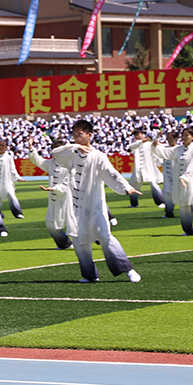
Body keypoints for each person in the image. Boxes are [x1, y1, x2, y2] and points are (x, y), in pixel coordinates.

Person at [51, 120, 142, 283]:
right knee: (79, 241)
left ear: (89, 135)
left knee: (105, 236)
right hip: (75, 208)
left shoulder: (98, 156)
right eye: (74, 135)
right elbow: (56, 153)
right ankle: (90, 275)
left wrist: (126, 187)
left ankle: (128, 269)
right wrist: (75, 147)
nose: (76, 138)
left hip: (94, 206)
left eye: (80, 135)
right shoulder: (71, 154)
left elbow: (111, 173)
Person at [153, 128, 193, 236]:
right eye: (183, 135)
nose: (185, 137)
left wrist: (185, 176)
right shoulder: (178, 149)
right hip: (181, 184)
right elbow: (165, 153)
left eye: (187, 135)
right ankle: (188, 230)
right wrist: (155, 145)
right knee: (184, 206)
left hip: (192, 183)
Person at [29, 137, 72, 250]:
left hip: (66, 200)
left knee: (74, 224)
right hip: (53, 200)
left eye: (56, 150)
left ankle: (96, 238)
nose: (53, 153)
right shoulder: (51, 163)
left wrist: (54, 188)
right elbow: (38, 161)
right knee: (50, 223)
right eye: (52, 150)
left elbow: (67, 185)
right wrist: (31, 147)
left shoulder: (70, 165)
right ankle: (65, 244)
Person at [0, 139, 25, 218]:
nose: (0, 147)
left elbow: (12, 170)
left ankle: (18, 213)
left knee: (12, 196)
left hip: (7, 182)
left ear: (6, 147)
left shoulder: (8, 158)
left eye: (2, 146)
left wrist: (18, 178)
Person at [127, 128, 165, 208]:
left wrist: (160, 162)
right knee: (133, 186)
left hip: (148, 168)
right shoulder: (135, 144)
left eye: (138, 134)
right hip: (138, 170)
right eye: (135, 135)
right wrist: (141, 141)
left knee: (154, 185)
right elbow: (131, 147)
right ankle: (134, 204)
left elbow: (154, 153)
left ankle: (161, 202)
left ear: (142, 134)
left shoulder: (149, 144)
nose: (137, 136)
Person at [159, 130, 179, 218]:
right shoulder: (165, 148)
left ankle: (191, 212)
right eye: (168, 138)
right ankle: (169, 213)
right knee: (167, 196)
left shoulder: (179, 149)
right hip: (167, 177)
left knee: (182, 196)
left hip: (177, 177)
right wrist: (157, 136)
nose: (169, 140)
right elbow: (154, 146)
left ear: (176, 139)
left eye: (171, 138)